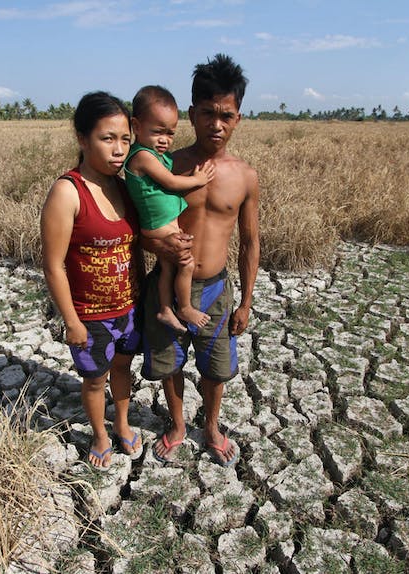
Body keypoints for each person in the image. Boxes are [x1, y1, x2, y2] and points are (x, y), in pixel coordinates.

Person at [142, 54, 259, 467]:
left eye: (226, 115)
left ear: (238, 118)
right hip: (169, 285)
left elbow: (249, 243)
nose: (216, 124)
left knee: (215, 368)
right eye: (207, 113)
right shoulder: (166, 166)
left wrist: (245, 302)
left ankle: (210, 427)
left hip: (215, 289)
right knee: (169, 363)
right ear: (191, 113)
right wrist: (157, 247)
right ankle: (176, 425)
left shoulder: (244, 176)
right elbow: (138, 224)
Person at [39, 91, 143, 471]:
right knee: (95, 380)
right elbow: (53, 265)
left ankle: (123, 423)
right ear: (82, 139)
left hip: (129, 308)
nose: (119, 149)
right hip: (90, 315)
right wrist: (71, 321)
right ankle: (100, 434)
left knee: (122, 370)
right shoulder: (68, 191)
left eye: (125, 139)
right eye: (107, 138)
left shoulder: (125, 184)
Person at [124, 85, 216, 333]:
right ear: (136, 126)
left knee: (167, 268)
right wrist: (198, 180)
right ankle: (184, 307)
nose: (164, 140)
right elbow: (171, 182)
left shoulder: (156, 154)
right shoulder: (142, 156)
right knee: (185, 263)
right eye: (157, 132)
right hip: (158, 227)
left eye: (170, 134)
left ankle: (165, 309)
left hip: (161, 226)